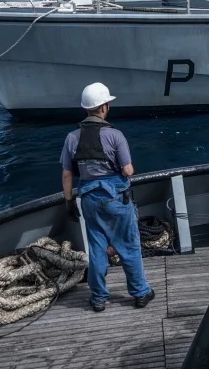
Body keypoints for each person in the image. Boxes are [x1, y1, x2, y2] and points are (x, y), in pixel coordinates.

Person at [61, 82, 154, 313]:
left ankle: (98, 298)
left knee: (97, 248)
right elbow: (128, 170)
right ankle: (140, 293)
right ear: (104, 107)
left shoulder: (71, 138)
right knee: (128, 246)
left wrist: (69, 202)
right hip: (116, 199)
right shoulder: (115, 135)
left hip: (89, 200)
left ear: (86, 108)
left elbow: (67, 174)